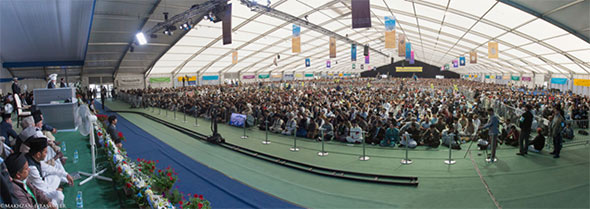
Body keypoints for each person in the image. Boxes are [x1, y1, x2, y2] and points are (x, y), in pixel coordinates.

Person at [25, 137, 72, 206]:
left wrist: (66, 175)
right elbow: (41, 189)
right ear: (38, 154)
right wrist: (56, 191)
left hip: (42, 184)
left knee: (57, 175)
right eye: (45, 152)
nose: (46, 154)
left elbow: (49, 169)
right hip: (37, 193)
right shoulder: (31, 168)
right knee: (59, 196)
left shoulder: (33, 157)